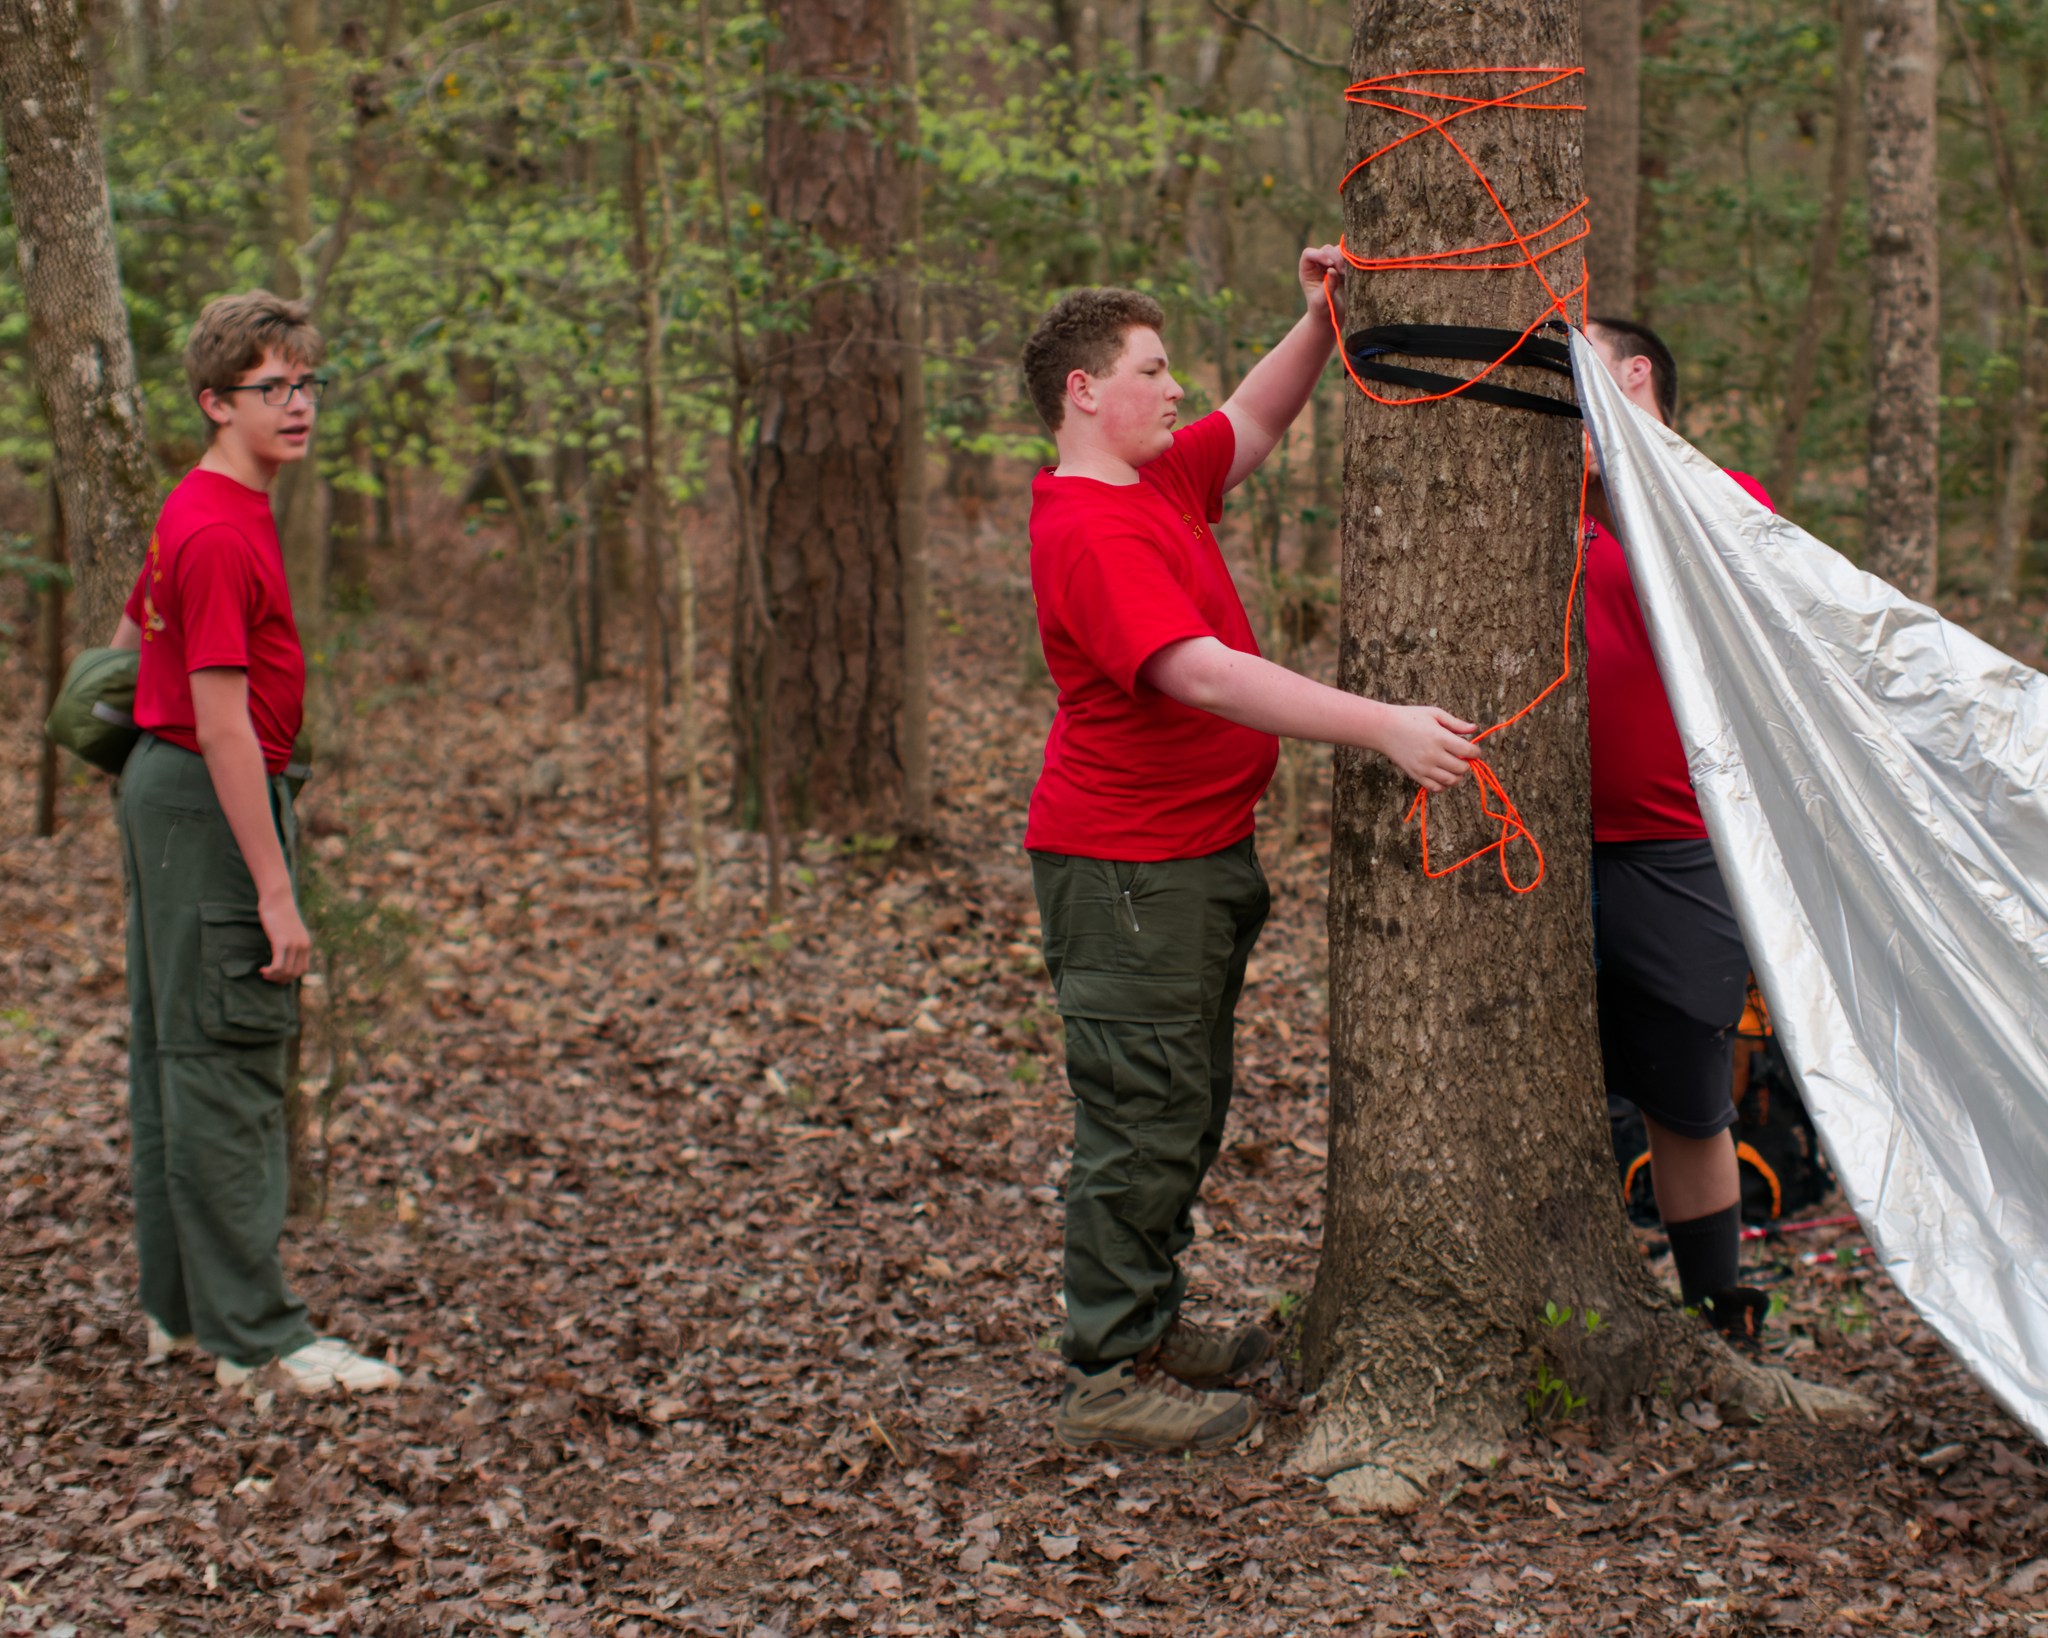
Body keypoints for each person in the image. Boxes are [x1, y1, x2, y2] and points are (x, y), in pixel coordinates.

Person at [1021, 253, 1478, 1453]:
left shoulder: (1153, 479)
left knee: (1189, 1098)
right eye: (1149, 369)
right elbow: (1201, 674)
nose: (1174, 389)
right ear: (1081, 391)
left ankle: (1148, 1322)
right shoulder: (1089, 530)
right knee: (1143, 1112)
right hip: (1126, 871)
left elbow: (1259, 415)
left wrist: (1322, 316)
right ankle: (1105, 1373)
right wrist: (1379, 725)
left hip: (1193, 858)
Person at [107, 291, 402, 1396]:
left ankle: (184, 1316)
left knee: (176, 1059)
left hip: (171, 795)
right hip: (208, 797)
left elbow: (126, 636)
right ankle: (256, 1342)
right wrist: (277, 894)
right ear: (214, 402)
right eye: (269, 388)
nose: (298, 405)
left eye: (306, 383)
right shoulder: (220, 527)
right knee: (227, 1060)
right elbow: (224, 718)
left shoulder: (200, 503)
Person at [1582, 316, 1773, 1347]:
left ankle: (1717, 1315)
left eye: (1575, 372)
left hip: (1672, 849)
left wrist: (1616, 471)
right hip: (1541, 853)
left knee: (1686, 1099)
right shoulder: (1532, 516)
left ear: (1633, 375)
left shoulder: (1724, 498)